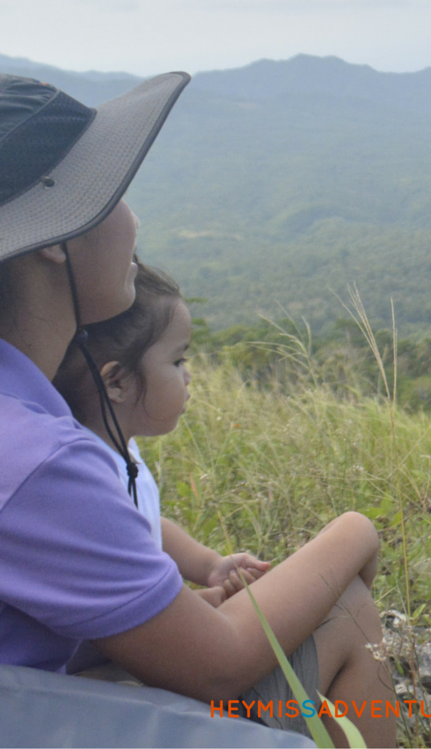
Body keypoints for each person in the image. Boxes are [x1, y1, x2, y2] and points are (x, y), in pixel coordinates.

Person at [0, 72, 396, 747]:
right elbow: (217, 665)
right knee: (348, 614)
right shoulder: (35, 457)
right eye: (112, 194)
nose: (133, 219)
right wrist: (355, 529)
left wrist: (168, 612)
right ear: (54, 238)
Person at [54, 260, 270, 616]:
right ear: (116, 383)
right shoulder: (89, 479)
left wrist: (210, 566)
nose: (187, 377)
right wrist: (206, 604)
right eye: (177, 361)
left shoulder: (116, 447)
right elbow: (111, 618)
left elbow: (149, 528)